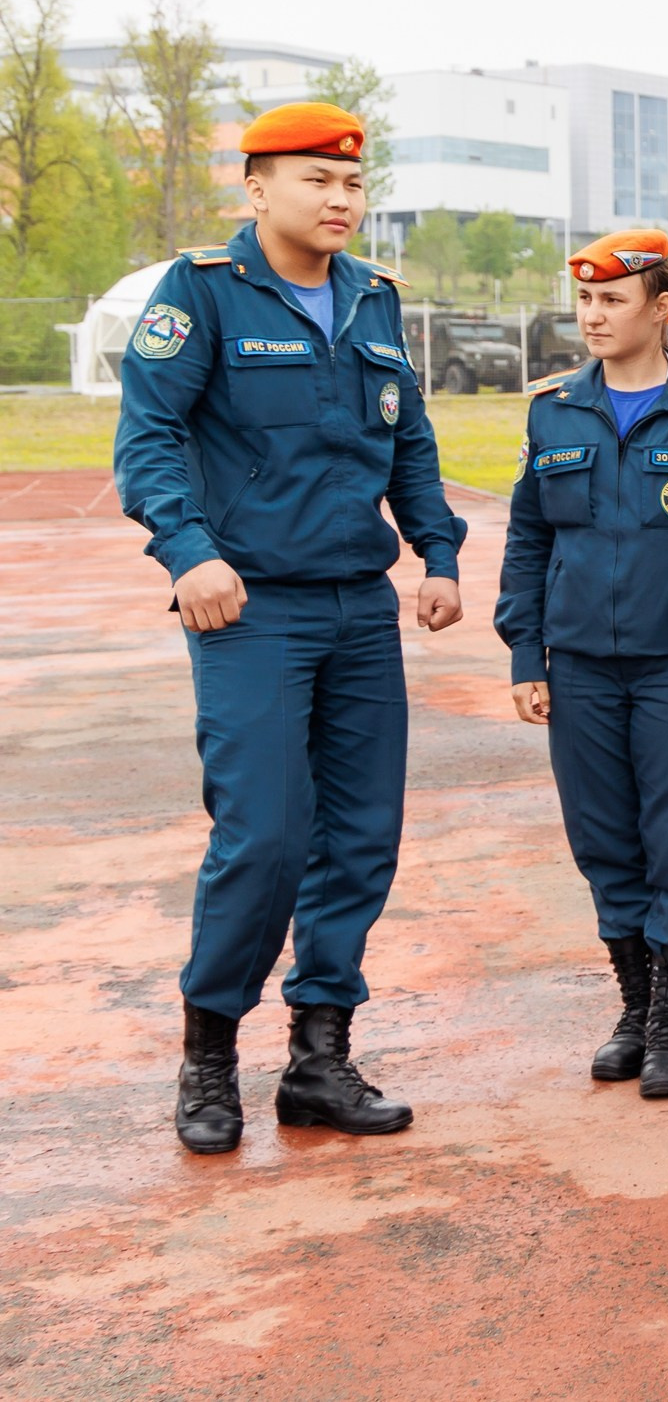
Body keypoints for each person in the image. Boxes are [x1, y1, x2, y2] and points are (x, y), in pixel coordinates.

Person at [115, 102, 466, 1154]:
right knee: (264, 834)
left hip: (360, 608)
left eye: (353, 184)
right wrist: (188, 552)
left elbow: (409, 437)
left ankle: (319, 1057)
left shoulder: (372, 299)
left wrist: (436, 550)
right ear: (256, 188)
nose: (340, 200)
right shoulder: (203, 295)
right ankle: (210, 1054)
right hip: (250, 607)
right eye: (316, 180)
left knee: (360, 837)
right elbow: (149, 434)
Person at [496, 231, 668, 1101]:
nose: (594, 316)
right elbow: (529, 535)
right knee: (602, 840)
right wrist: (523, 652)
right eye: (585, 301)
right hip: (576, 664)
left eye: (612, 300)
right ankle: (637, 1009)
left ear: (661, 307)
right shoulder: (554, 409)